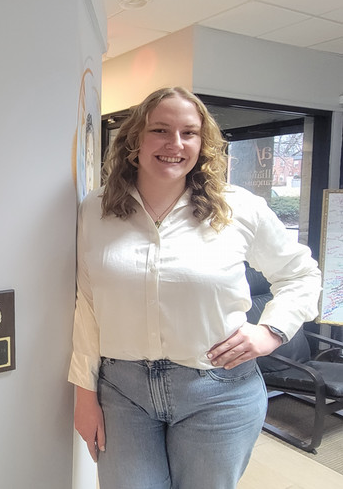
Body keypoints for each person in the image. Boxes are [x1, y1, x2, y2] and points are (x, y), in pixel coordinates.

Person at [68, 87, 321, 489]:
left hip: (217, 392)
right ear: (135, 139)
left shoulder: (239, 208)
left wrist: (270, 331)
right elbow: (87, 305)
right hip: (123, 393)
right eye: (160, 130)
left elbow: (302, 274)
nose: (175, 144)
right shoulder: (95, 210)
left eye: (189, 133)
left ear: (202, 145)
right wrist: (84, 395)